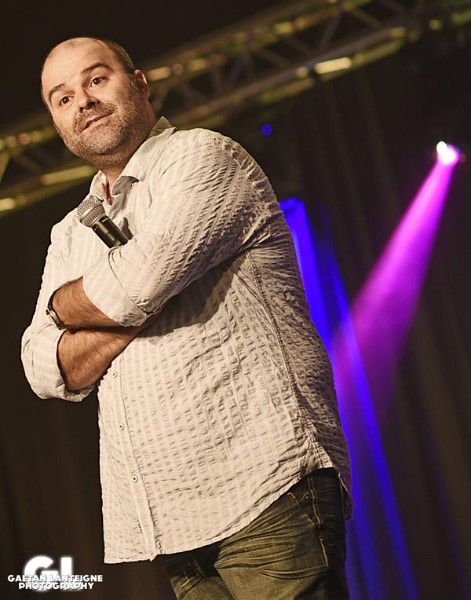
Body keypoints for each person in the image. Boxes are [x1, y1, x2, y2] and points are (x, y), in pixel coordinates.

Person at [21, 36, 352, 599]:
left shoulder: (203, 157)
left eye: (96, 80)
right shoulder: (70, 232)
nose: (84, 102)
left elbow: (136, 287)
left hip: (264, 485)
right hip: (170, 520)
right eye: (63, 97)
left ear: (139, 83)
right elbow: (41, 367)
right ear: (56, 121)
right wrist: (123, 303)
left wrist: (65, 305)